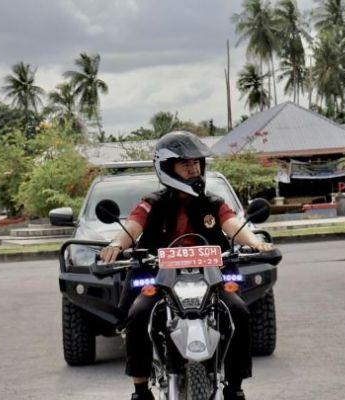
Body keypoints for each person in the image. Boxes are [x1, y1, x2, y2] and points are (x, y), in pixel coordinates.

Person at [100, 131, 274, 400]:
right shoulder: (152, 203)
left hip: (211, 277)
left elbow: (234, 226)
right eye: (185, 163)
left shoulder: (213, 203)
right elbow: (133, 227)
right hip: (162, 278)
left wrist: (255, 243)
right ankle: (140, 389)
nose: (193, 168)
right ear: (168, 167)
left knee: (238, 311)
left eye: (196, 163)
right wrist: (116, 244)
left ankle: (235, 387)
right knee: (138, 314)